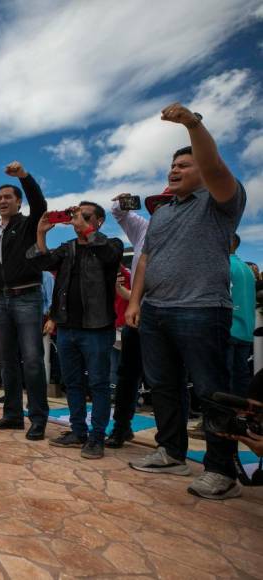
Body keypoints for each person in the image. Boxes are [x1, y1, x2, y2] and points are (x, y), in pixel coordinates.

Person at [125, 103, 247, 500]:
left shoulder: (220, 201)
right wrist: (134, 302)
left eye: (184, 165)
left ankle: (220, 470)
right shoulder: (163, 213)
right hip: (157, 310)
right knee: (162, 385)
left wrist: (193, 125)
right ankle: (171, 452)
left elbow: (215, 168)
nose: (174, 170)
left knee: (212, 391)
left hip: (201, 308)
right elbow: (146, 258)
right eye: (172, 166)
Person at [28, 202, 124, 459]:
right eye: (76, 214)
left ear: (99, 221)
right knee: (73, 383)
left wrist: (87, 231)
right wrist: (40, 234)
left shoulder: (111, 244)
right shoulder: (67, 248)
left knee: (99, 384)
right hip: (68, 327)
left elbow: (109, 256)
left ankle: (97, 437)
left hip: (97, 328)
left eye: (86, 215)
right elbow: (42, 262)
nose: (78, 219)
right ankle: (78, 430)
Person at [0, 161, 49, 440]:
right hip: (1, 302)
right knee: (6, 361)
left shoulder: (29, 224)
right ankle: (13, 415)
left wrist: (24, 176)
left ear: (19, 202)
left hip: (28, 297)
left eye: (8, 197)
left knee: (31, 359)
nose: (3, 201)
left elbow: (40, 204)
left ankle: (38, 419)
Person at [227, 234, 255, 398]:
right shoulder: (248, 270)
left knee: (225, 377)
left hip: (229, 329)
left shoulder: (225, 265)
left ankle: (227, 419)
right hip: (246, 330)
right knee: (241, 376)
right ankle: (242, 416)